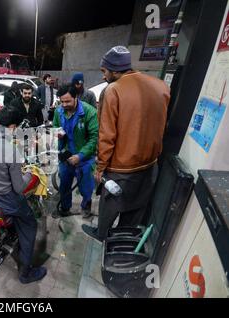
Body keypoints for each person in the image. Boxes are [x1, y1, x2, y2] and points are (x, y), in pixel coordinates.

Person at [82, 46, 170, 242]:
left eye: (104, 72)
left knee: (110, 206)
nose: (104, 77)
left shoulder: (113, 90)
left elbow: (107, 135)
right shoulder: (161, 85)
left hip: (121, 167)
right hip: (150, 164)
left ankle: (102, 234)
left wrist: (100, 167)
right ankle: (122, 239)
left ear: (114, 70)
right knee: (136, 207)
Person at [0, 107, 47, 284]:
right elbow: (19, 187)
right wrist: (30, 172)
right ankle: (25, 274)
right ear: (12, 126)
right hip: (8, 200)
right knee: (29, 225)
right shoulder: (10, 150)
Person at [53, 85, 98, 219]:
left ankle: (86, 206)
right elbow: (55, 127)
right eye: (62, 102)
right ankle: (65, 208)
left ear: (76, 97)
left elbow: (94, 137)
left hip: (84, 158)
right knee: (64, 185)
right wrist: (57, 133)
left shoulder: (89, 112)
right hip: (65, 155)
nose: (64, 105)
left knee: (86, 187)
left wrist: (81, 155)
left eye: (68, 101)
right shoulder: (58, 111)